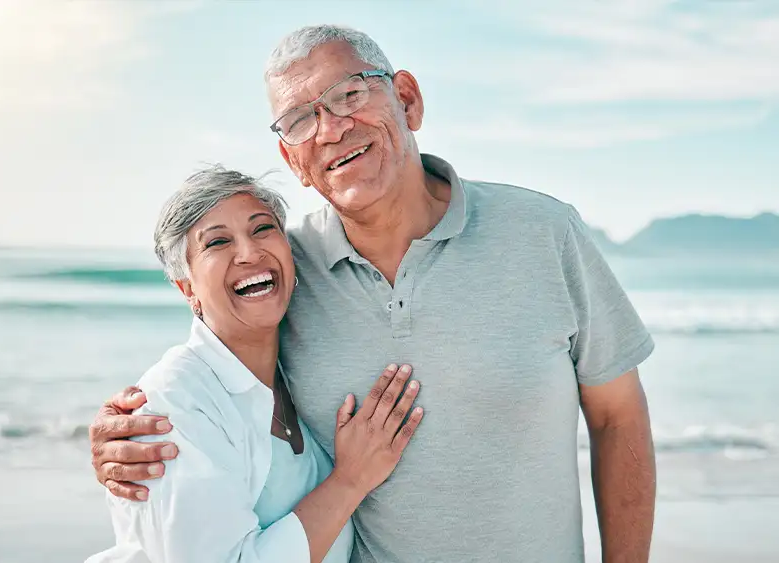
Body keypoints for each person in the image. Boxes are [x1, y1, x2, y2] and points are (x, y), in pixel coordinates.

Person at [89, 25, 657, 563]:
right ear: (294, 161)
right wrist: (127, 431)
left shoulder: (544, 232)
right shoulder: (288, 268)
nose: (332, 128)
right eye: (300, 120)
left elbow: (618, 418)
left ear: (407, 100)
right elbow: (218, 359)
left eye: (348, 94)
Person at [86, 166, 424, 563]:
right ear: (187, 288)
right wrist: (350, 482)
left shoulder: (299, 369)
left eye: (262, 229)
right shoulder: (175, 401)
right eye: (217, 242)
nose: (249, 253)